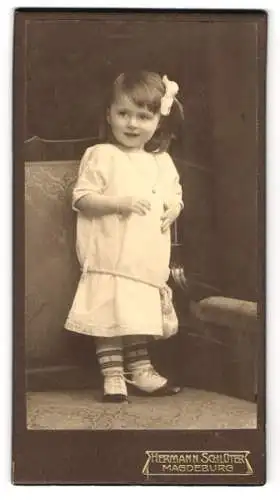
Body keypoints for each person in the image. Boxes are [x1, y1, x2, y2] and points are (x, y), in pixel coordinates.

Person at [65, 70, 184, 402]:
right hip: (111, 254)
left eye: (143, 116)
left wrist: (174, 208)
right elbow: (82, 198)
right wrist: (120, 203)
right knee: (110, 314)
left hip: (144, 259)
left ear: (157, 122)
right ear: (109, 114)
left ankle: (141, 370)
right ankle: (113, 374)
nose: (132, 124)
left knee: (136, 314)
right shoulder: (102, 155)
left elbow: (173, 195)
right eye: (124, 114)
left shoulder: (162, 161)